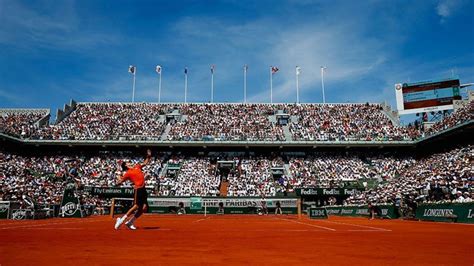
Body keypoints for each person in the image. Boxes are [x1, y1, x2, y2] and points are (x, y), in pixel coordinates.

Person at [114, 149, 152, 230]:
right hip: (138, 190)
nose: (129, 162)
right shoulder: (127, 173)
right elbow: (119, 182)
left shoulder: (137, 166)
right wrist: (117, 178)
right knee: (136, 206)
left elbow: (145, 163)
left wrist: (148, 156)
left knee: (144, 208)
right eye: (127, 163)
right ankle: (121, 220)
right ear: (126, 166)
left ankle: (130, 222)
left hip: (143, 189)